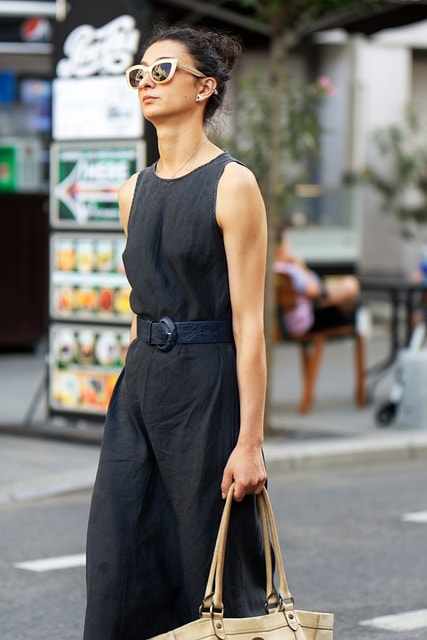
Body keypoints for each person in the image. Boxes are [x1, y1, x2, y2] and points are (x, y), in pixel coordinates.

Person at [83, 22, 268, 640]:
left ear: (204, 88)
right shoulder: (131, 191)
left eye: (162, 70)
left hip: (207, 389)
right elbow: (144, 298)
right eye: (139, 73)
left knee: (205, 565)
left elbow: (249, 324)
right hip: (140, 389)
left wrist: (250, 443)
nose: (146, 82)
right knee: (119, 558)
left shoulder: (233, 184)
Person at [274, 228, 360, 337]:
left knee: (346, 288)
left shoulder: (274, 270)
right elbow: (315, 291)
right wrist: (301, 266)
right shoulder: (289, 269)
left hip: (288, 323)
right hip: (305, 323)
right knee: (350, 288)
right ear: (281, 246)